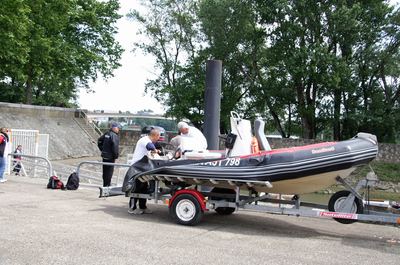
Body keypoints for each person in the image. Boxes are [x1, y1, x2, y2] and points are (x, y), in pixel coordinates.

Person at [129, 128, 161, 215]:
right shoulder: (145, 140)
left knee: (143, 187)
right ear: (155, 135)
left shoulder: (148, 140)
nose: (158, 138)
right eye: (158, 136)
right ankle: (132, 208)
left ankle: (143, 207)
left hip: (143, 167)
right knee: (136, 188)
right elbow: (150, 146)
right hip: (136, 167)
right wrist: (155, 150)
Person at [98, 122, 121, 187]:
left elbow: (99, 141)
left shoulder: (106, 134)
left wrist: (102, 149)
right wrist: (115, 156)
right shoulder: (114, 136)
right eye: (118, 128)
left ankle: (105, 185)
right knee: (109, 172)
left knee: (105, 172)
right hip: (110, 157)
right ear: (114, 128)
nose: (118, 129)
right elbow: (115, 147)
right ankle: (107, 186)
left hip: (104, 156)